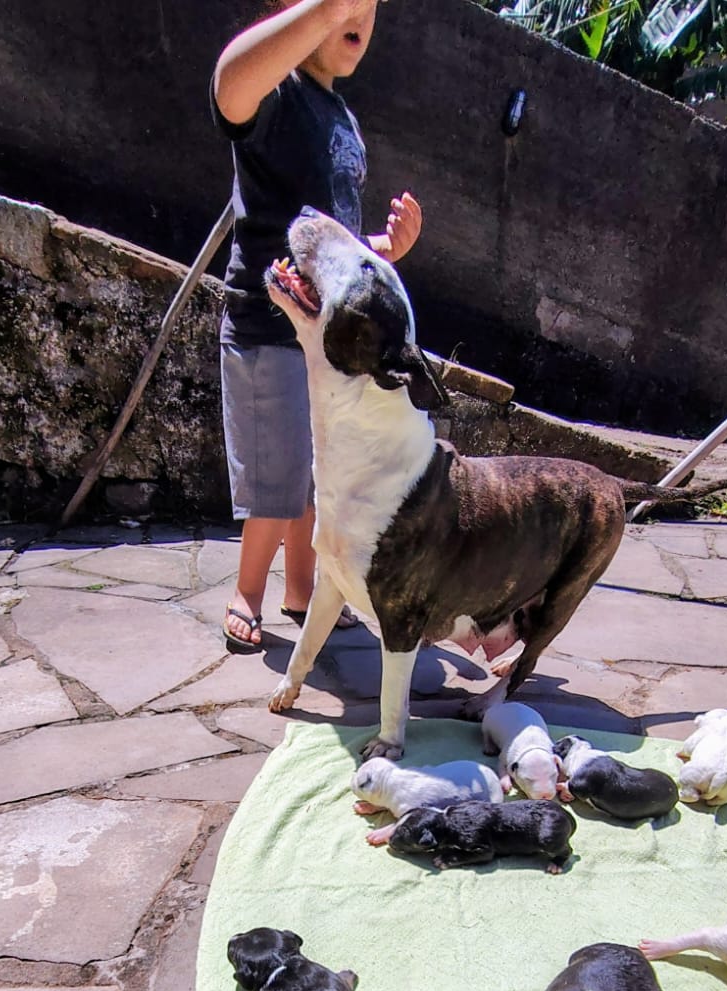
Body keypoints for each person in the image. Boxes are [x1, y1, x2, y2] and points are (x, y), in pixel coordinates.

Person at [211, 0, 423, 652]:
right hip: (268, 320)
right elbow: (228, 89)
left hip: (319, 335)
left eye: (368, 6)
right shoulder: (277, 91)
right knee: (275, 477)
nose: (358, 11)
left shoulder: (342, 117)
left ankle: (302, 591)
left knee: (311, 475)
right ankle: (246, 592)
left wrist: (379, 250)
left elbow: (330, 240)